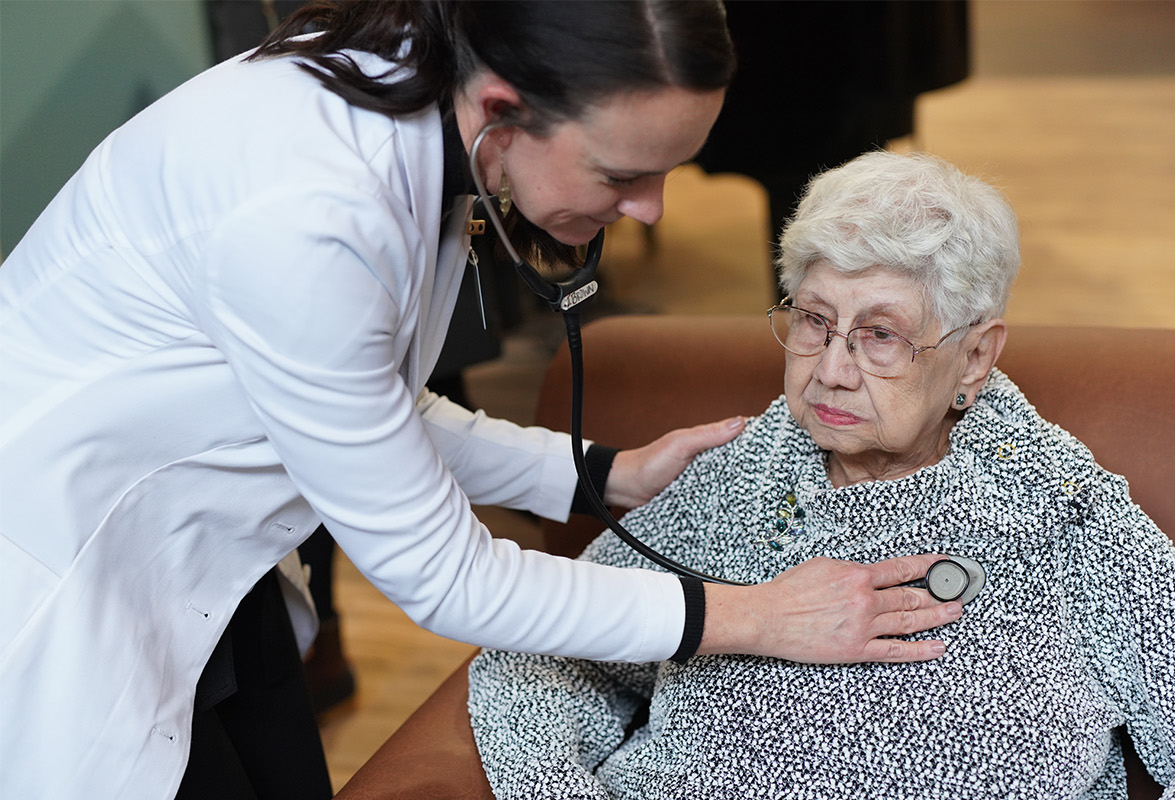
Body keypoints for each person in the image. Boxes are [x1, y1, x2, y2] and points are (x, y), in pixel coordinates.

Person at [0, 3, 964, 798]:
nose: (654, 209)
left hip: (200, 558)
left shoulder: (433, 107)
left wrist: (598, 474)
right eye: (623, 176)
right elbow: (447, 578)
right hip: (72, 554)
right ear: (503, 113)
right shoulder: (307, 217)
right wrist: (750, 616)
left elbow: (372, 404)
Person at [467, 151, 1175, 799]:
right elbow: (533, 659)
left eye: (881, 336)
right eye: (814, 319)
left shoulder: (1056, 510)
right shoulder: (738, 483)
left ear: (975, 354)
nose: (830, 369)